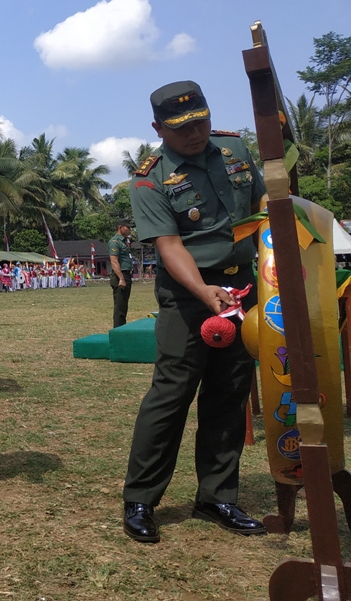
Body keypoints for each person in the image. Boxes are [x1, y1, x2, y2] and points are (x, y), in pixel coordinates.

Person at [122, 81, 267, 544]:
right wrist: (206, 293)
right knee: (171, 395)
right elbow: (169, 246)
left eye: (201, 121)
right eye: (182, 128)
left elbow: (264, 206)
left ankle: (217, 496)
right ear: (158, 128)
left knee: (229, 394)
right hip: (189, 294)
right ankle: (141, 498)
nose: (196, 133)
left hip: (245, 287)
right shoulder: (148, 180)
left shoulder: (234, 149)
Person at [109, 219, 134, 328]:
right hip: (120, 276)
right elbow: (114, 261)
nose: (130, 229)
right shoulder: (115, 242)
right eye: (127, 227)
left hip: (126, 275)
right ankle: (118, 331)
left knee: (124, 306)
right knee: (120, 307)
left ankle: (122, 329)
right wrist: (121, 278)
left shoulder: (124, 241)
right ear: (120, 227)